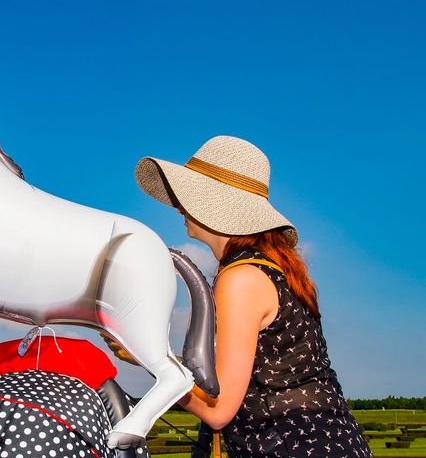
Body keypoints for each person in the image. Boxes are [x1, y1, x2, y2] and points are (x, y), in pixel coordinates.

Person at [132, 136, 372, 457]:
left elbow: (219, 410)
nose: (178, 206)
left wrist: (147, 356)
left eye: (189, 194)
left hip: (291, 446)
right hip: (328, 441)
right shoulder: (272, 270)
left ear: (216, 205)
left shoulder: (241, 279)